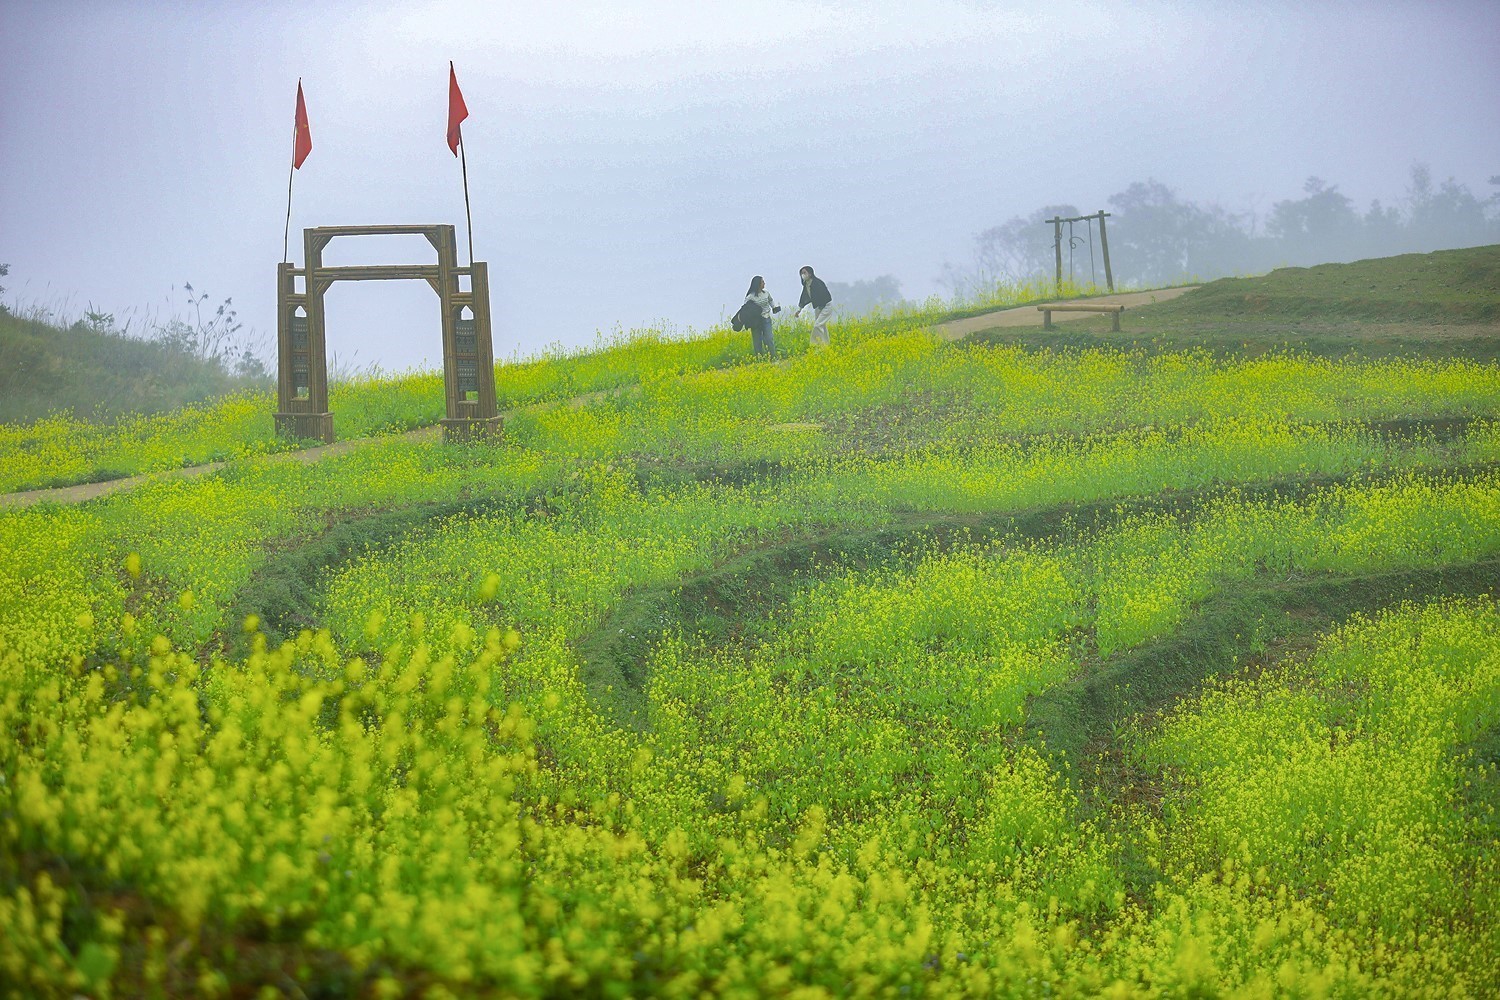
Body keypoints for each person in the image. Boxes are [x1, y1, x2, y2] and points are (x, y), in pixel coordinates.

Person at [743, 275, 780, 359]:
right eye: (762, 282)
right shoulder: (750, 297)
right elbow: (745, 308)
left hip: (766, 318)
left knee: (769, 339)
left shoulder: (766, 293)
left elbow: (770, 300)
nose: (764, 283)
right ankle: (760, 359)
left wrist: (774, 307)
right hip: (756, 322)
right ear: (758, 284)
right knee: (757, 341)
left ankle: (772, 357)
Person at [797, 266, 833, 348]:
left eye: (804, 273)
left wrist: (822, 306)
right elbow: (804, 297)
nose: (803, 275)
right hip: (818, 307)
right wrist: (799, 310)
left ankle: (815, 344)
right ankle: (826, 345)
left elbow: (823, 295)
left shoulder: (817, 283)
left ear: (810, 273)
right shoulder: (806, 284)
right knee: (822, 325)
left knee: (818, 325)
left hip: (826, 306)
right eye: (802, 273)